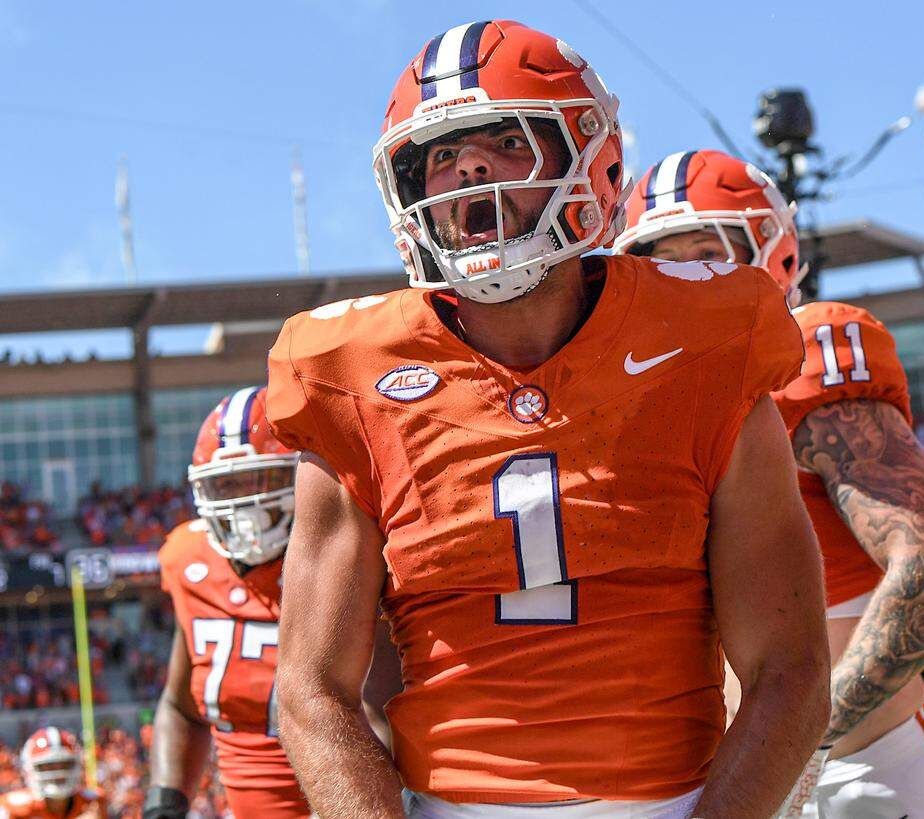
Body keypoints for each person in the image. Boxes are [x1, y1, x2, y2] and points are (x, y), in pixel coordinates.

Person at [266, 19, 830, 819]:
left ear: (587, 157)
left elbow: (790, 668)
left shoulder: (707, 342)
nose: (467, 168)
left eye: (505, 139)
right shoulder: (350, 374)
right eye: (439, 156)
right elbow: (312, 691)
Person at [615, 149, 924, 818]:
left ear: (775, 255)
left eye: (709, 248)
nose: (690, 274)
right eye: (663, 259)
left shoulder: (813, 348)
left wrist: (802, 745)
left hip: (855, 775)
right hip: (736, 782)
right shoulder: (665, 407)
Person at [145, 387, 309, 819]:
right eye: (226, 486)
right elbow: (183, 707)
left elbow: (383, 715)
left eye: (261, 481)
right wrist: (164, 804)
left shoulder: (348, 555)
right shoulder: (189, 560)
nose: (244, 506)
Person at [0, 728, 105, 819]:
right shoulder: (12, 807)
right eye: (48, 766)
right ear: (29, 769)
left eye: (64, 764)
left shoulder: (94, 802)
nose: (58, 773)